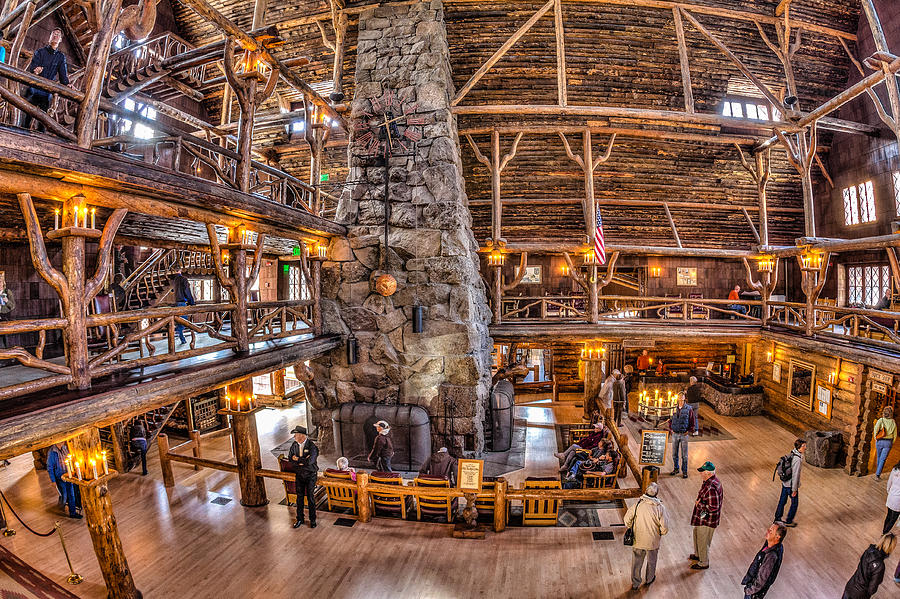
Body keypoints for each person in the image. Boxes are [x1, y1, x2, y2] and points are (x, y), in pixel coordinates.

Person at [21, 28, 70, 132]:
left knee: (43, 122)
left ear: (60, 40)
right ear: (50, 37)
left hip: (47, 93)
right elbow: (32, 69)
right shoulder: (40, 52)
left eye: (58, 35)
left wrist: (68, 84)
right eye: (53, 34)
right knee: (26, 119)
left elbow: (63, 77)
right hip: (34, 89)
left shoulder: (60, 57)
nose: (55, 36)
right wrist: (36, 71)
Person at [624, 482, 668, 590]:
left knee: (636, 562)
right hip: (653, 541)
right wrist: (660, 533)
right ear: (656, 494)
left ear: (646, 492)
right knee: (652, 561)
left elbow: (626, 520)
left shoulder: (638, 505)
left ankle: (635, 583)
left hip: (638, 539)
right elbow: (665, 527)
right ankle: (649, 579)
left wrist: (631, 527)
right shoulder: (660, 508)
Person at [690, 461, 724, 570]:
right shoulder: (709, 482)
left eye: (702, 472)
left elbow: (713, 507)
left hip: (706, 520)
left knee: (703, 540)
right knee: (697, 534)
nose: (700, 474)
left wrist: (699, 505)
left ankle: (703, 562)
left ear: (709, 473)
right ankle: (698, 554)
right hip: (702, 518)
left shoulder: (711, 487)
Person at [842, 533, 896, 599]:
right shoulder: (880, 566)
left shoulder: (868, 551)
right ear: (890, 548)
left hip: (850, 585)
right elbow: (872, 589)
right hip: (860, 595)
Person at [741, 523, 787, 598]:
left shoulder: (771, 557)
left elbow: (762, 580)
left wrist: (749, 591)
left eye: (771, 531)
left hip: (754, 593)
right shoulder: (770, 544)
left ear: (777, 537)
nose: (767, 531)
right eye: (769, 529)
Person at [289, 425, 318, 529]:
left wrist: (298, 460)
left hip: (310, 475)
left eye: (295, 435)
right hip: (299, 475)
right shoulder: (294, 445)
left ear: (302, 436)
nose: (294, 437)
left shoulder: (312, 447)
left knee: (310, 497)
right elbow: (290, 459)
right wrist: (302, 461)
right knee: (299, 498)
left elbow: (311, 461)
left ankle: (313, 520)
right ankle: (299, 519)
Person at [774, 438, 805, 528]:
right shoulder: (797, 460)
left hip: (785, 483)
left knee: (782, 501)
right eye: (804, 446)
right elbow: (796, 475)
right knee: (794, 503)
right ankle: (789, 521)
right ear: (799, 447)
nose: (805, 448)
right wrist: (794, 490)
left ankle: (777, 518)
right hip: (791, 486)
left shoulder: (792, 453)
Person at [47, 442, 81, 519]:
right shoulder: (52, 452)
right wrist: (53, 481)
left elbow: (70, 460)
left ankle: (72, 513)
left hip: (68, 475)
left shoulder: (65, 448)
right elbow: (50, 467)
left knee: (71, 494)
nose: (63, 441)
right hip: (60, 477)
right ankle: (61, 505)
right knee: (64, 495)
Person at [667, 393, 695, 478]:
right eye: (679, 397)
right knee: (674, 454)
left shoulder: (689, 409)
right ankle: (676, 468)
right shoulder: (673, 408)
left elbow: (692, 421)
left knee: (684, 455)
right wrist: (671, 428)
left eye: (682, 397)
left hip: (684, 435)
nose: (680, 398)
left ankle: (685, 471)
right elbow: (670, 419)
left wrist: (689, 431)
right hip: (675, 434)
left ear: (684, 398)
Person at [172, 270, 195, 345]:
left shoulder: (174, 280)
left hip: (177, 303)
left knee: (180, 321)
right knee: (183, 322)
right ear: (180, 270)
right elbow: (187, 291)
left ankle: (182, 338)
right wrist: (191, 302)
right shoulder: (183, 279)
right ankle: (181, 337)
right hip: (182, 303)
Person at [873, 406, 896, 480]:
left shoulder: (881, 420)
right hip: (888, 442)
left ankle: (877, 471)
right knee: (883, 459)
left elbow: (876, 429)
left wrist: (875, 438)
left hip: (880, 441)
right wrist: (892, 443)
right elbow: (895, 435)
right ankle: (877, 475)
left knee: (879, 457)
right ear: (891, 414)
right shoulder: (893, 422)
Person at [884, 462, 900, 534]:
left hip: (891, 496)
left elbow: (889, 483)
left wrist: (889, 492)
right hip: (898, 500)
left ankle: (884, 531)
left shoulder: (895, 469)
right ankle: (885, 534)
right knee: (893, 519)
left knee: (888, 516)